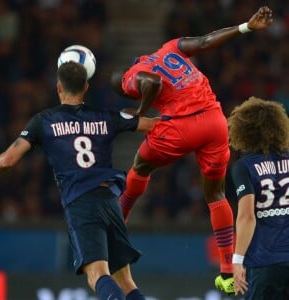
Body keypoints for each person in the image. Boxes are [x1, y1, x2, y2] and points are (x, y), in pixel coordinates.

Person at [110, 6, 273, 294]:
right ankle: (226, 272)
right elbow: (208, 41)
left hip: (181, 128)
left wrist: (139, 111)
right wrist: (245, 27)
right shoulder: (171, 48)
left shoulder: (131, 75)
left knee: (141, 166)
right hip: (214, 121)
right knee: (216, 194)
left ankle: (117, 221)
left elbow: (151, 82)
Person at [0, 61, 158, 300]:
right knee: (126, 281)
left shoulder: (44, 120)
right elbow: (152, 125)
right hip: (110, 200)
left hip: (81, 202)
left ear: (59, 87)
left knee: (97, 275)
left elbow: (7, 160)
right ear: (86, 87)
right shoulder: (106, 117)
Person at [228, 97, 289, 299]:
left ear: (243, 132)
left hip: (265, 263)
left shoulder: (244, 167)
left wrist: (237, 260)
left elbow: (247, 217)